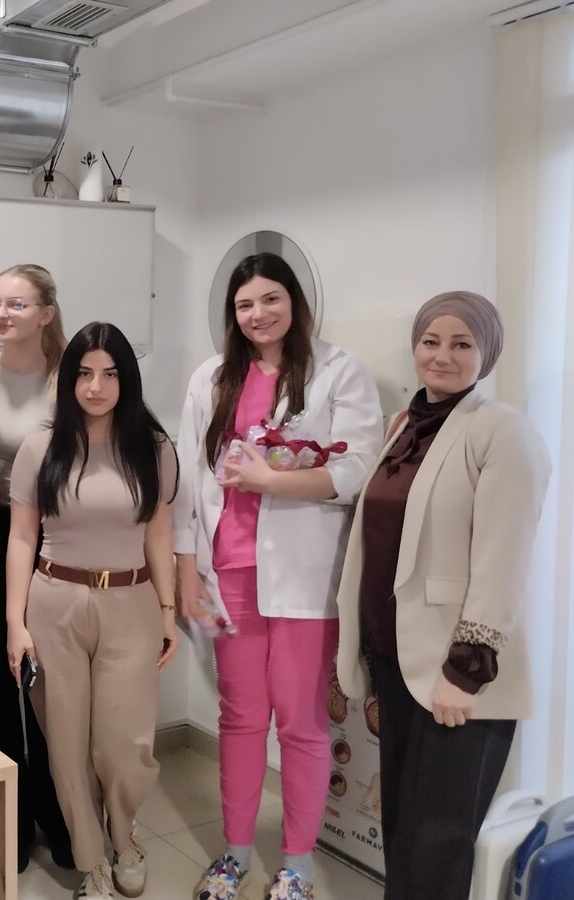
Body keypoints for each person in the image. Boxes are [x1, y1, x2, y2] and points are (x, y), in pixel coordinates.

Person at [173, 252, 382, 900]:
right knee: (239, 717)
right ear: (231, 314)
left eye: (270, 299)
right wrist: (185, 568)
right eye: (244, 304)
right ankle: (235, 853)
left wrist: (272, 481)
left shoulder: (338, 370)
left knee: (300, 722)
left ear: (294, 301)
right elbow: (188, 478)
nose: (258, 314)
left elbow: (357, 469)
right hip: (229, 569)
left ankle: (296, 865)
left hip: (304, 576)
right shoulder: (211, 377)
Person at [334, 291, 549, 900]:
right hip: (398, 658)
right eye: (431, 341)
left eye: (462, 344)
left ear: (487, 353)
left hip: (458, 674)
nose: (442, 356)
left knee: (437, 842)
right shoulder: (404, 426)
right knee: (404, 831)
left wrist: (466, 669)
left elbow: (504, 562)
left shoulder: (501, 430)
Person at [6, 321, 179, 900]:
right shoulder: (41, 447)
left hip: (131, 602)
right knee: (67, 745)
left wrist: (168, 610)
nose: (96, 387)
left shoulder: (154, 448)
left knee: (124, 746)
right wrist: (14, 623)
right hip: (54, 603)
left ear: (127, 379)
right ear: (69, 380)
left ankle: (124, 837)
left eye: (109, 374)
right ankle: (91, 861)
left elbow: (159, 534)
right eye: (84, 374)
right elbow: (22, 539)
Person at [0, 264, 73, 871]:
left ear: (45, 313)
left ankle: (62, 818)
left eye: (16, 304)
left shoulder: (71, 377)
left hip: (53, 542)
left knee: (49, 687)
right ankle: (8, 824)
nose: (1, 314)